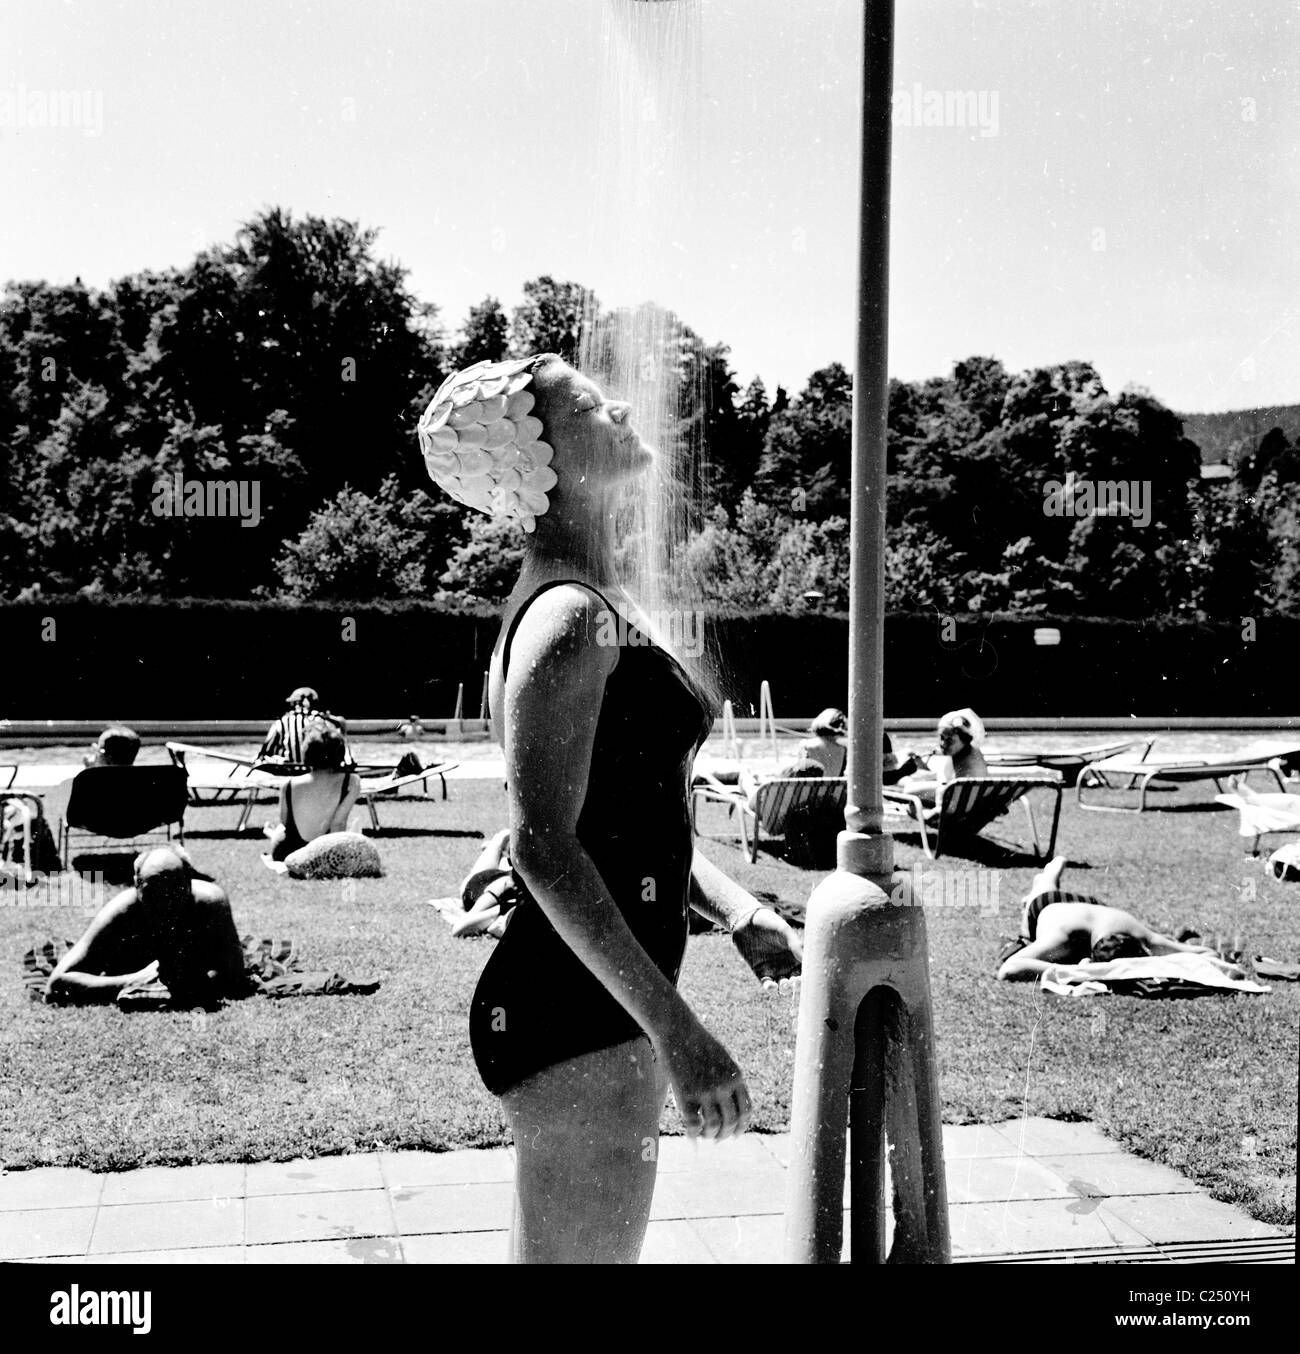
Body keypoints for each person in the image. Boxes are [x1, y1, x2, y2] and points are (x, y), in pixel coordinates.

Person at [418, 354, 801, 1264]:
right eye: (589, 404)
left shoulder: (586, 601)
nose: (621, 403)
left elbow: (630, 817)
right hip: (576, 1012)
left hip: (582, 1006)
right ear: (538, 455)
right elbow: (543, 849)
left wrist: (739, 910)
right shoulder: (567, 614)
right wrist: (680, 1031)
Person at [45, 846, 247, 1005]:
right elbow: (56, 985)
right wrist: (132, 981)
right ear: (137, 886)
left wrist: (188, 982)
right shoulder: (123, 911)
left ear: (189, 883)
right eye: (153, 894)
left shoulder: (211, 904)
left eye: (173, 892)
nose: (164, 904)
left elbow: (235, 977)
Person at [996, 856, 1246, 982]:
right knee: (1041, 891)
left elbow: (1205, 957)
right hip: (1050, 905)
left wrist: (1224, 970)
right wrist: (1074, 970)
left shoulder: (1144, 937)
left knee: (1048, 882)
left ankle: (1053, 870)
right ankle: (1051, 869)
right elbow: (1009, 968)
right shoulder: (1062, 940)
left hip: (1093, 908)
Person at [264, 724, 360, 863]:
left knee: (279, 831)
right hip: (327, 848)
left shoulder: (288, 784)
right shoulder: (351, 781)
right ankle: (270, 832)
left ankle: (269, 832)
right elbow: (337, 824)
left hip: (290, 851)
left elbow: (285, 822)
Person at [899, 707, 989, 805]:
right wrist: (921, 764)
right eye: (942, 738)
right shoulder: (968, 752)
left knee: (908, 788)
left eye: (949, 740)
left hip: (954, 800)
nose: (943, 744)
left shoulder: (963, 757)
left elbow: (945, 785)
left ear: (964, 739)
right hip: (965, 800)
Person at [259, 687, 349, 765]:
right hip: (318, 767)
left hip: (289, 767)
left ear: (293, 703)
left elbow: (266, 751)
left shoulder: (281, 722)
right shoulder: (322, 721)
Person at [798, 708, 847, 776]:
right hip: (835, 786)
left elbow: (801, 772)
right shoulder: (843, 749)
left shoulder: (804, 745)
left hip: (811, 786)